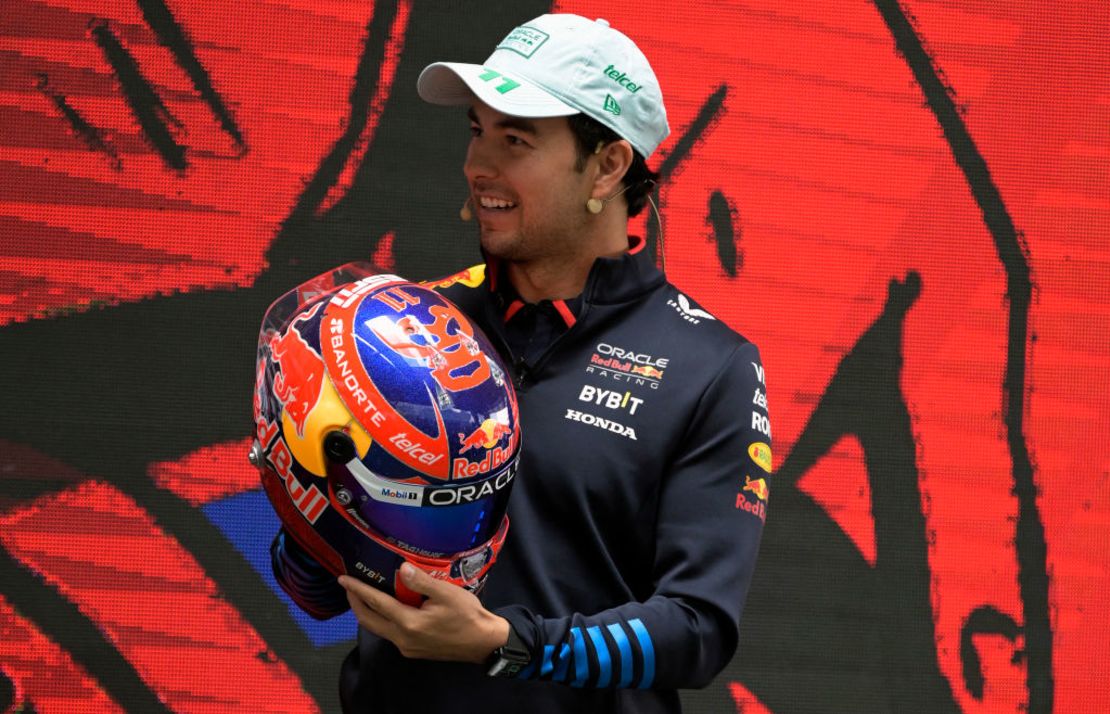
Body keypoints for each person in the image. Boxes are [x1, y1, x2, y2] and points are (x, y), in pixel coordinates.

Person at [271, 13, 773, 713]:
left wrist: (504, 643)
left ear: (609, 165)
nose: (480, 166)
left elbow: (697, 630)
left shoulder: (710, 365)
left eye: (516, 140)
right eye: (478, 131)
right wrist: (302, 496)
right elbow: (313, 597)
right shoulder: (404, 328)